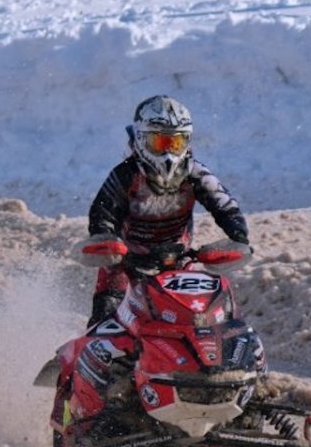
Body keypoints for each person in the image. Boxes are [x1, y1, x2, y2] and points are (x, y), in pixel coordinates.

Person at [86, 95, 251, 326]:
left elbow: (225, 205)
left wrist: (238, 235)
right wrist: (105, 240)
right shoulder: (124, 175)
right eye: (160, 143)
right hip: (124, 264)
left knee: (202, 318)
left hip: (178, 263)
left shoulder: (196, 174)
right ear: (142, 139)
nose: (169, 154)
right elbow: (102, 213)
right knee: (103, 323)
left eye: (176, 143)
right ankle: (81, 360)